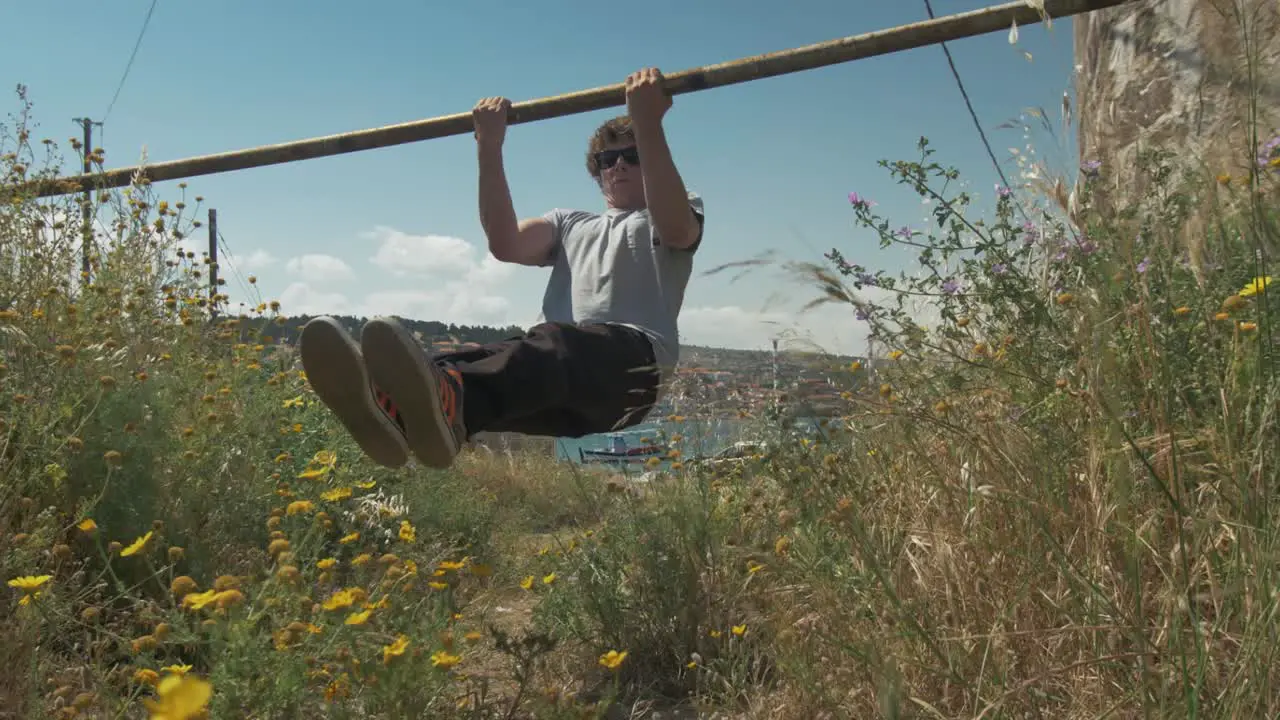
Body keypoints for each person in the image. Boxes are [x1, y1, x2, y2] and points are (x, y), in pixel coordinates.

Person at [299, 67, 704, 470]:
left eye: (631, 156)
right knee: (478, 362)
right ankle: (395, 410)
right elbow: (505, 244)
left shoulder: (672, 208)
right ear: (595, 172)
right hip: (566, 391)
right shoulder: (570, 223)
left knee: (553, 344)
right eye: (607, 158)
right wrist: (489, 147)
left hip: (633, 373)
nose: (618, 166)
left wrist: (647, 123)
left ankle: (442, 398)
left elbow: (675, 227)